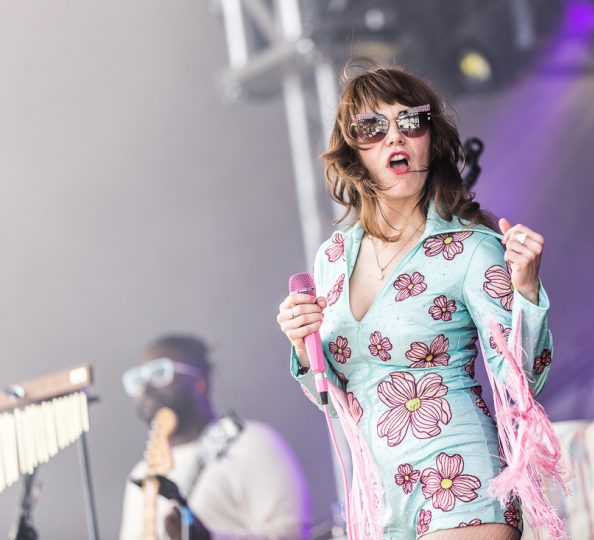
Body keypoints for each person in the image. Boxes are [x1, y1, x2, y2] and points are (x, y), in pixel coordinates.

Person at [277, 59, 565, 540]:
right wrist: (301, 342)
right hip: (380, 497)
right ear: (353, 151)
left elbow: (523, 379)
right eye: (372, 127)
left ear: (430, 139)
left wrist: (527, 290)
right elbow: (334, 395)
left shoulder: (471, 248)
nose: (395, 136)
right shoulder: (332, 257)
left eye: (411, 121)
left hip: (461, 479)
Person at [119, 334, 311, 540]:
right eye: (137, 379)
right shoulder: (141, 473)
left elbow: (294, 534)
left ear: (200, 382)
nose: (145, 388)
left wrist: (210, 538)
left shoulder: (250, 443)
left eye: (159, 373)